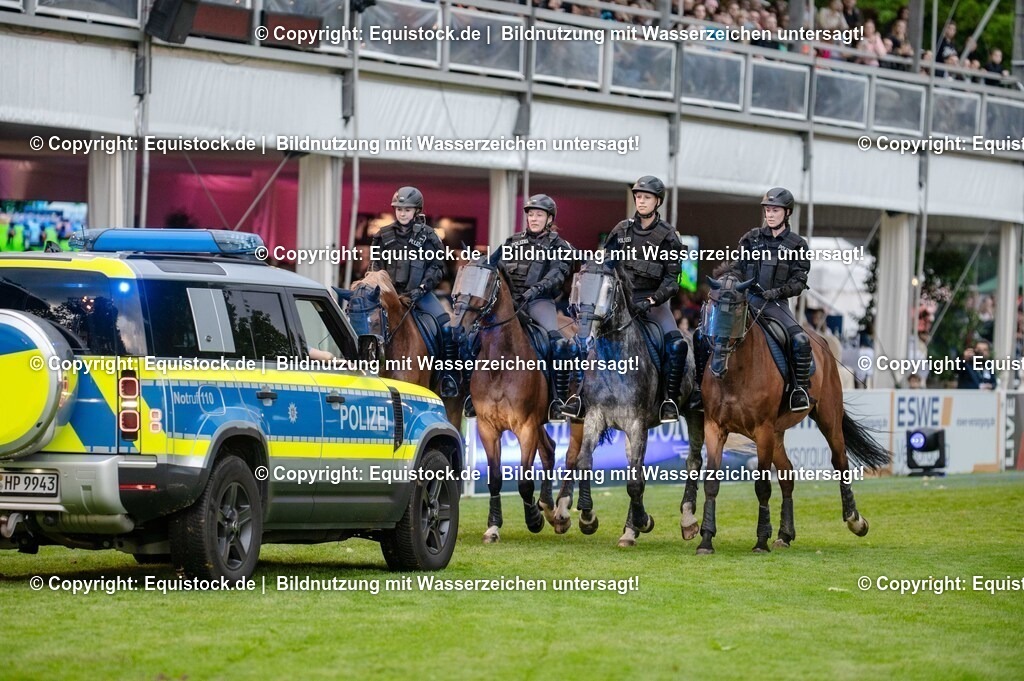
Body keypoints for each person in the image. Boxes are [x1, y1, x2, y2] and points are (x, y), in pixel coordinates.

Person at [563, 175, 687, 423]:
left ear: (657, 201)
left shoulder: (668, 235)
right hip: (618, 301)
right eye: (638, 197)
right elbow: (603, 264)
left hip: (653, 303)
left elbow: (673, 280)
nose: (641, 201)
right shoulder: (621, 230)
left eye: (646, 197)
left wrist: (652, 301)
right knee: (585, 339)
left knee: (676, 345)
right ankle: (578, 396)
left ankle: (669, 401)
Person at [693, 187, 812, 411]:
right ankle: (699, 389)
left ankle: (799, 390)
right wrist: (730, 280)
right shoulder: (751, 238)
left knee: (800, 341)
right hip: (747, 302)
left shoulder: (797, 244)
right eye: (768, 210)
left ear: (787, 213)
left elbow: (799, 281)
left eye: (775, 210)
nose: (770, 214)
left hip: (777, 305)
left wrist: (778, 292)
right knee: (702, 334)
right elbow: (737, 268)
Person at [464, 194, 575, 421]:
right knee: (472, 338)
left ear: (549, 218)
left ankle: (557, 400)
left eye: (539, 215)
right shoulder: (513, 242)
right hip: (510, 302)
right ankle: (471, 393)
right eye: (530, 214)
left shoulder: (560, 246)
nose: (533, 219)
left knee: (557, 343)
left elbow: (558, 274)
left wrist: (536, 290)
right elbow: (499, 269)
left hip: (539, 302)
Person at [368, 186, 459, 397]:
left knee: (446, 327)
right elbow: (374, 266)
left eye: (407, 209)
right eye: (399, 209)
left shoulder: (429, 236)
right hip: (388, 296)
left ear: (416, 211)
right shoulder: (382, 235)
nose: (402, 213)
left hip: (420, 295)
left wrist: (420, 290)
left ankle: (448, 377)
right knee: (364, 320)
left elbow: (437, 268)